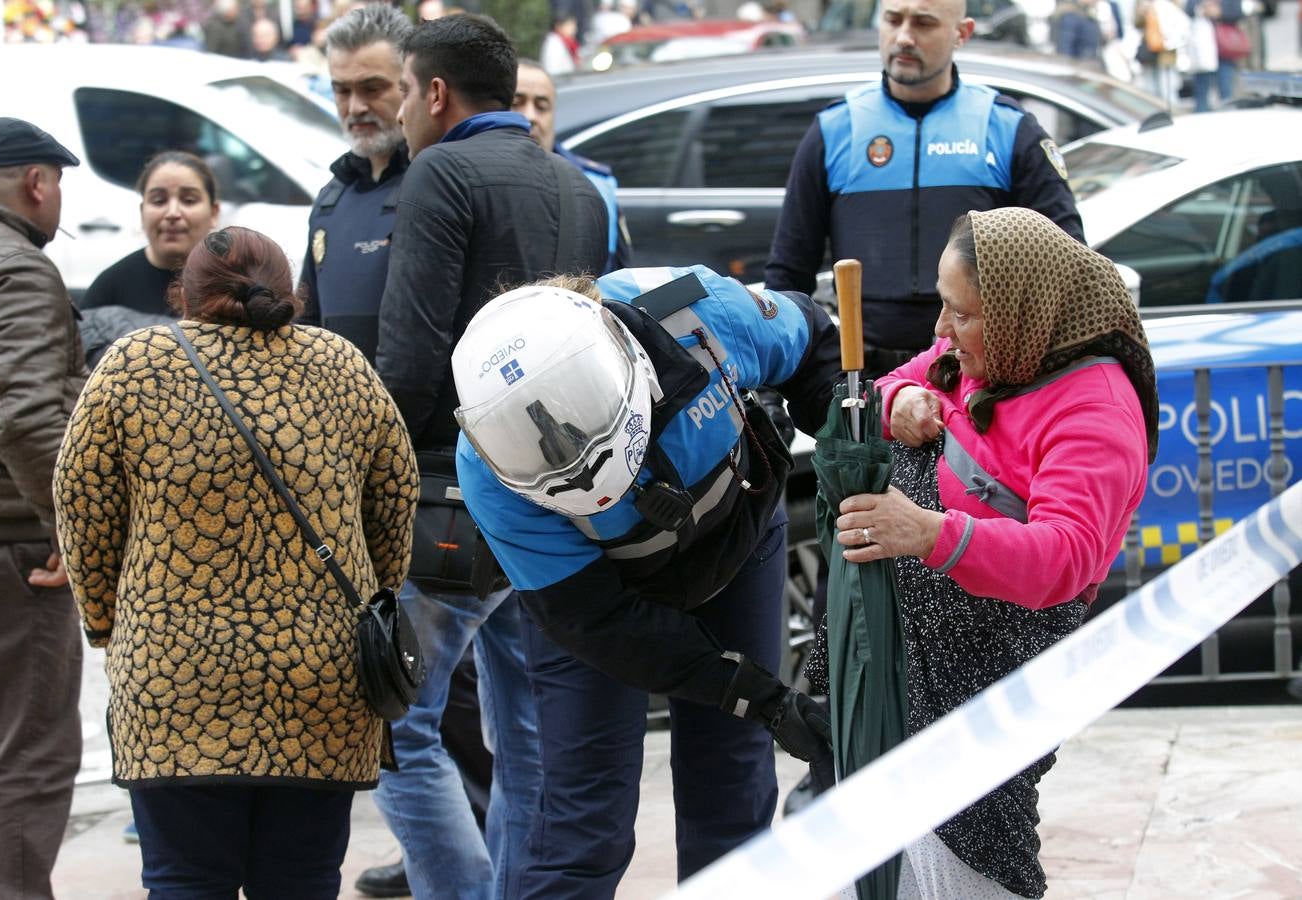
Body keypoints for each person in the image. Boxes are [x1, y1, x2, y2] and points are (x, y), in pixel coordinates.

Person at [53, 225, 418, 898]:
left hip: (173, 681)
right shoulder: (341, 366)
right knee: (303, 879)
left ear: (183, 297)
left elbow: (82, 507)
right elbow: (396, 499)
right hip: (322, 681)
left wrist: (109, 625)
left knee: (184, 878)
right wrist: (378, 599)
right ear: (291, 294)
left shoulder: (133, 366)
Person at [451, 265, 838, 897]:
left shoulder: (701, 314)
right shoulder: (487, 468)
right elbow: (599, 622)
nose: (576, 470)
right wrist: (758, 694)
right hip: (605, 598)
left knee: (732, 782)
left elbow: (812, 337)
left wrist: (843, 430)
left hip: (735, 543)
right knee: (581, 820)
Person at [817, 207, 1157, 898]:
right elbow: (880, 391)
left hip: (994, 685)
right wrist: (903, 398)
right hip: (909, 683)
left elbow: (1066, 558)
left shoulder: (1094, 410)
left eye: (960, 313)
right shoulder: (980, 358)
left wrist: (929, 534)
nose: (941, 330)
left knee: (978, 849)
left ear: (1019, 312)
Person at [373, 14, 608, 900]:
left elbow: (410, 356)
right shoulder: (578, 186)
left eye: (399, 91)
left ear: (435, 94)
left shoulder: (441, 171)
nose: (397, 113)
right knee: (530, 737)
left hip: (449, 498)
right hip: (557, 506)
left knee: (398, 728)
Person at [764, 0, 1083, 381]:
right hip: (863, 376)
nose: (904, 37)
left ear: (961, 33)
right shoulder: (835, 129)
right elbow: (788, 273)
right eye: (893, 20)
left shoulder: (1007, 128)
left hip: (979, 377)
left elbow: (1067, 265)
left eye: (924, 23)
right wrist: (773, 381)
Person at [0, 116, 87, 900]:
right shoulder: (17, 270)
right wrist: (69, 528)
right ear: (38, 182)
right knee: (26, 752)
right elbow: (31, 422)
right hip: (8, 544)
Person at [299, 2, 411, 364]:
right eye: (342, 91)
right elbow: (304, 328)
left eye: (372, 88)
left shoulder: (439, 188)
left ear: (410, 85)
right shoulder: (330, 200)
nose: (355, 106)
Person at [514, 58, 632, 272]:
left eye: (542, 106)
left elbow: (613, 274)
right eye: (516, 103)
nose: (530, 116)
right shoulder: (469, 176)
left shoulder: (595, 183)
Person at [81, 151, 220, 315]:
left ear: (213, 213)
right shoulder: (109, 289)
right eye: (159, 201)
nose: (172, 213)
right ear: (142, 212)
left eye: (189, 200)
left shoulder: (234, 284)